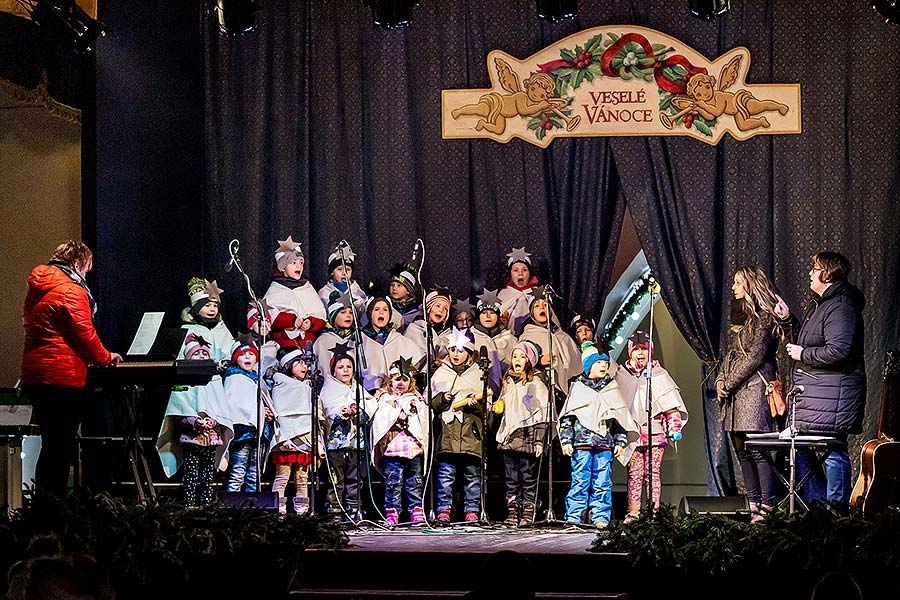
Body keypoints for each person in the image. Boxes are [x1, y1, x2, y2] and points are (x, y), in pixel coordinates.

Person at [19, 241, 123, 498]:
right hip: (61, 376)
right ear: (77, 264)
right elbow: (84, 334)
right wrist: (106, 357)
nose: (87, 273)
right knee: (60, 447)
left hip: (35, 373)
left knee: (51, 444)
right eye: (87, 268)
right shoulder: (71, 290)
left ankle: (44, 505)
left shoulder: (39, 287)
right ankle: (52, 510)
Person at [779, 251, 866, 511]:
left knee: (833, 451)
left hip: (834, 396)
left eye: (814, 268)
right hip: (819, 396)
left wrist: (803, 354)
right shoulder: (824, 304)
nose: (809, 273)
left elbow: (839, 350)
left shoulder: (841, 306)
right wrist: (787, 320)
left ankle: (836, 510)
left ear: (827, 274)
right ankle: (820, 507)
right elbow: (810, 338)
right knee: (806, 448)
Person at [716, 266, 785, 522]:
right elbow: (731, 354)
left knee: (758, 450)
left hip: (754, 390)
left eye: (737, 282)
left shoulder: (765, 318)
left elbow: (755, 356)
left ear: (750, 285)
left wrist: (730, 382)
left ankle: (767, 506)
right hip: (736, 394)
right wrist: (721, 379)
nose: (733, 287)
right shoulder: (741, 319)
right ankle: (753, 504)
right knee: (742, 450)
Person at [558, 342, 637, 528]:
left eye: (605, 363)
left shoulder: (611, 387)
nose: (603, 366)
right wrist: (566, 440)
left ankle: (600, 516)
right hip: (582, 444)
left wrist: (620, 442)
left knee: (602, 482)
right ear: (588, 365)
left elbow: (619, 418)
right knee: (580, 480)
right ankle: (574, 516)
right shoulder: (578, 387)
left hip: (604, 444)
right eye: (599, 362)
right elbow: (568, 418)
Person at [615, 330, 688, 524]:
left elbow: (670, 405)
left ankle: (653, 513)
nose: (640, 353)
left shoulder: (659, 374)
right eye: (636, 349)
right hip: (633, 434)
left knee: (653, 474)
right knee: (634, 475)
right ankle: (633, 513)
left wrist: (674, 427)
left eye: (644, 349)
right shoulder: (622, 375)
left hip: (655, 433)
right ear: (630, 351)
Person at [155, 333, 233, 508]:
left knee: (208, 473)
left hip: (212, 437)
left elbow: (221, 409)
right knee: (190, 472)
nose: (201, 357)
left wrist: (212, 421)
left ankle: (206, 503)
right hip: (191, 437)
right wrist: (195, 422)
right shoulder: (183, 381)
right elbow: (178, 411)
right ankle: (189, 503)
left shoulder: (214, 380)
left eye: (205, 354)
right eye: (197, 354)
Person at [430, 327, 487, 524]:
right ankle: (443, 510)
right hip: (448, 435)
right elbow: (430, 403)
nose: (456, 354)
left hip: (470, 436)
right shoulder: (440, 374)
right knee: (446, 476)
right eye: (453, 349)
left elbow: (486, 409)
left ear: (469, 353)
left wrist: (475, 404)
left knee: (472, 476)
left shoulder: (478, 374)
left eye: (461, 350)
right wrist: (443, 398)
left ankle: (471, 510)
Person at [494, 340, 550, 526]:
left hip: (527, 439)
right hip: (509, 439)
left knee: (527, 477)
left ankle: (528, 511)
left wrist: (539, 441)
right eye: (515, 356)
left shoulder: (536, 384)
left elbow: (541, 415)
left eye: (522, 356)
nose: (517, 360)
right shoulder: (508, 381)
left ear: (530, 361)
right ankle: (512, 511)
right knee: (511, 479)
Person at [370, 357, 429, 526]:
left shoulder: (416, 399)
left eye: (405, 380)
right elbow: (380, 420)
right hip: (393, 450)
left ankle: (416, 511)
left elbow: (423, 420)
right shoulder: (384, 400)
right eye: (397, 379)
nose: (401, 383)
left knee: (414, 483)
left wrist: (413, 413)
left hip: (413, 449)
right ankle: (392, 512)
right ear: (390, 381)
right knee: (393, 484)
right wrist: (396, 416)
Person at [319, 347, 376, 519]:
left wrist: (359, 411)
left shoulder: (357, 389)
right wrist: (343, 411)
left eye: (349, 367)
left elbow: (370, 404)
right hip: (336, 444)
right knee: (336, 480)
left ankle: (353, 510)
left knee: (355, 480)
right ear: (333, 370)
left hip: (356, 444)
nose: (345, 370)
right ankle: (334, 510)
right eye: (341, 367)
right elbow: (328, 409)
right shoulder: (329, 389)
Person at [269, 347, 321, 515]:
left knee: (302, 478)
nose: (303, 366)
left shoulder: (307, 386)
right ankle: (279, 510)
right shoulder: (281, 386)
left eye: (304, 363)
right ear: (289, 365)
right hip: (287, 439)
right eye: (298, 363)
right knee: (282, 477)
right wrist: (283, 437)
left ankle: (302, 511)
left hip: (304, 438)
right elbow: (280, 416)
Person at [223, 340, 275, 493]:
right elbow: (236, 405)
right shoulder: (235, 378)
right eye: (243, 355)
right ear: (236, 359)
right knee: (238, 472)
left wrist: (267, 413)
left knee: (254, 473)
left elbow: (264, 401)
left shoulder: (257, 379)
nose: (247, 357)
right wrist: (259, 412)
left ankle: (253, 506)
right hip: (243, 433)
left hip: (258, 433)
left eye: (251, 354)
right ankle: (232, 507)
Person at [262, 236, 327, 350]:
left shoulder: (307, 288)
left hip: (307, 342)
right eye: (293, 262)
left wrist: (310, 322)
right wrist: (291, 320)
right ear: (282, 267)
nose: (299, 266)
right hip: (284, 342)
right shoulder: (276, 289)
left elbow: (320, 314)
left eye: (301, 263)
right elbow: (270, 316)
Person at [498, 247, 539, 336]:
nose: (520, 273)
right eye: (515, 270)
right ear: (510, 273)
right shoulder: (504, 294)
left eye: (524, 270)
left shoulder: (538, 294)